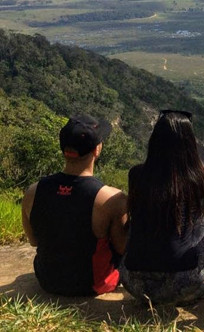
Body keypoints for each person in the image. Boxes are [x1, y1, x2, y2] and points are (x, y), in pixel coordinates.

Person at [120, 110, 204, 305]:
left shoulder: (136, 174)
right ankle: (194, 289)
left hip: (134, 282)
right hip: (183, 284)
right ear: (190, 143)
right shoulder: (202, 177)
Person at [21, 115, 128, 296]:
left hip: (47, 280)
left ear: (63, 148)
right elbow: (122, 248)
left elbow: (33, 241)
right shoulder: (111, 199)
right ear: (97, 149)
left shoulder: (32, 191)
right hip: (94, 284)